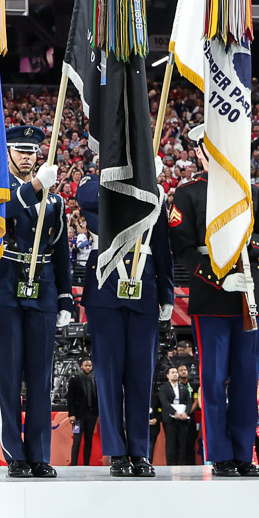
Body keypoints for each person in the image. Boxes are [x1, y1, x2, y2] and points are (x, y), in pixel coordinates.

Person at [169, 123, 259, 477]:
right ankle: (219, 454)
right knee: (213, 381)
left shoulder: (250, 191)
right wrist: (218, 276)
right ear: (199, 152)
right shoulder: (188, 194)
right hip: (211, 296)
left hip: (249, 294)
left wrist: (244, 243)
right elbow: (183, 248)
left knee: (247, 379)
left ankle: (244, 453)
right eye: (208, 149)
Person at [0, 125, 74, 478]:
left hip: (42, 288)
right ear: (7, 153)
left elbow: (60, 251)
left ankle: (38, 453)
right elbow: (1, 215)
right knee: (7, 374)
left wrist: (65, 298)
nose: (26, 157)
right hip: (4, 286)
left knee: (40, 377)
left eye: (31, 151)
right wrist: (33, 187)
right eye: (20, 150)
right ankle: (14, 454)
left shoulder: (55, 200)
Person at [76, 170, 175, 477]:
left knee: (141, 378)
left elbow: (162, 245)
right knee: (108, 378)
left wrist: (167, 294)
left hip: (144, 290)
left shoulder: (155, 192)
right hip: (105, 291)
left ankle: (140, 452)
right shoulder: (93, 184)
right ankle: (117, 452)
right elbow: (86, 200)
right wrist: (131, 182)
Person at [158, 366, 197, 465]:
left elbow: (189, 401)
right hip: (170, 419)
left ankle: (180, 464)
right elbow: (164, 402)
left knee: (182, 443)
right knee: (171, 443)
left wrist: (186, 413)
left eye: (176, 372)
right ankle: (170, 464)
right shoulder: (163, 388)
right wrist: (174, 412)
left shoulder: (184, 388)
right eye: (172, 372)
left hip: (183, 418)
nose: (175, 374)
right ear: (167, 375)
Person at [66, 357, 100, 466]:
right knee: (77, 440)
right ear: (81, 366)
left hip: (91, 415)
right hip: (78, 416)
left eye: (90, 365)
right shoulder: (75, 380)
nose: (88, 367)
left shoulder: (95, 380)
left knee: (89, 440)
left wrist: (97, 413)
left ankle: (86, 464)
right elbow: (70, 398)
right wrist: (71, 414)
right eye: (86, 365)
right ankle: (74, 464)